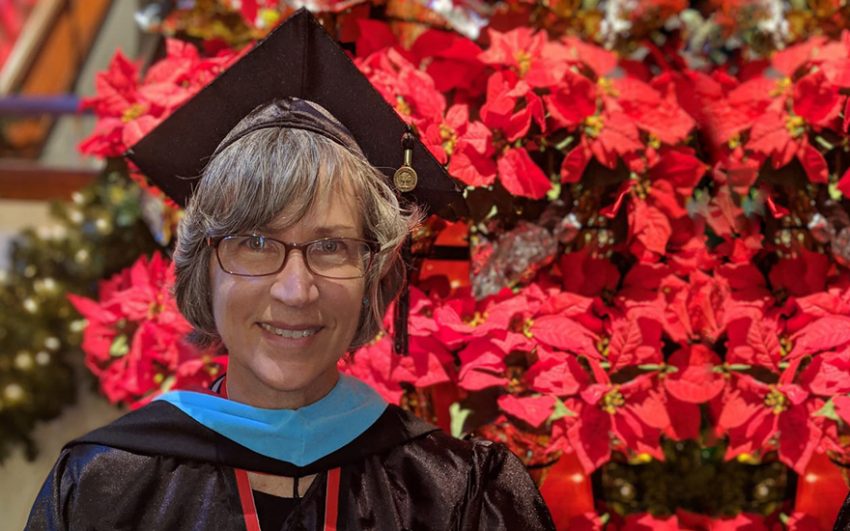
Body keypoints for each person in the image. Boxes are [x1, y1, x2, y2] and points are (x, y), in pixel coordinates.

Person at [26, 9, 555, 531]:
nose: (296, 290)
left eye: (331, 246)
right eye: (255, 242)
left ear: (376, 273)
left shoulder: (456, 496)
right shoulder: (104, 489)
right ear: (201, 268)